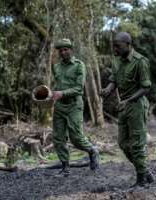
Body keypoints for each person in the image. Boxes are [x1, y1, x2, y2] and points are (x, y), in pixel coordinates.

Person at [101, 32, 154, 187]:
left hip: (137, 105)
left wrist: (128, 100)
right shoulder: (116, 61)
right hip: (123, 105)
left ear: (128, 45)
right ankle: (145, 171)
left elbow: (146, 87)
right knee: (123, 143)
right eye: (113, 46)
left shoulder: (140, 61)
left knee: (137, 145)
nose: (115, 49)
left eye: (118, 46)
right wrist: (107, 89)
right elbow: (114, 80)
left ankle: (141, 180)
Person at [52, 38, 99, 176]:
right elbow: (58, 86)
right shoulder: (56, 67)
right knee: (58, 138)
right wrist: (51, 94)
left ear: (70, 50)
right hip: (60, 106)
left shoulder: (79, 65)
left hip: (74, 105)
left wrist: (62, 93)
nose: (63, 52)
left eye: (65, 49)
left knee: (76, 137)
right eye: (60, 50)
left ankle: (92, 151)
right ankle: (65, 167)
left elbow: (79, 89)